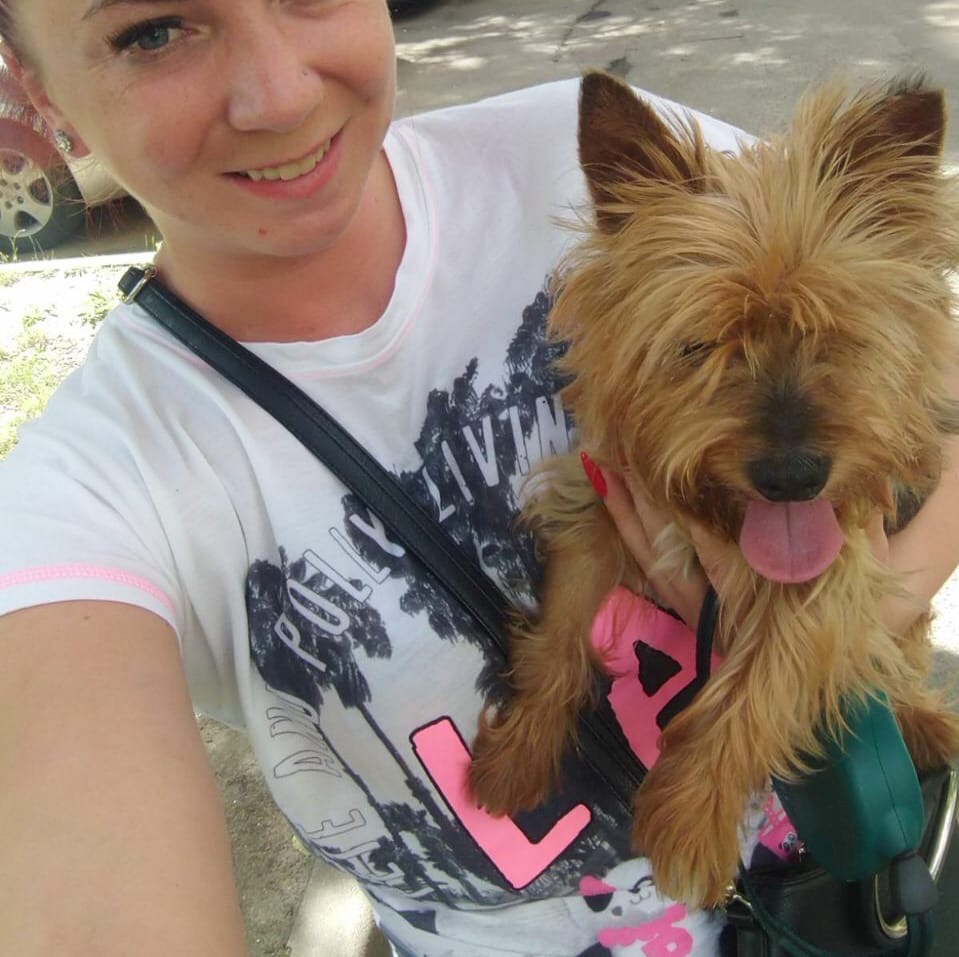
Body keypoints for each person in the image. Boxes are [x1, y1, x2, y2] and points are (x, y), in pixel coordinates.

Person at [0, 2, 957, 955]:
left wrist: (859, 619)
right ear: (35, 92)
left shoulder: (577, 153)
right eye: (151, 31)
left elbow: (924, 371)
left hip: (833, 889)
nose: (279, 95)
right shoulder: (84, 499)